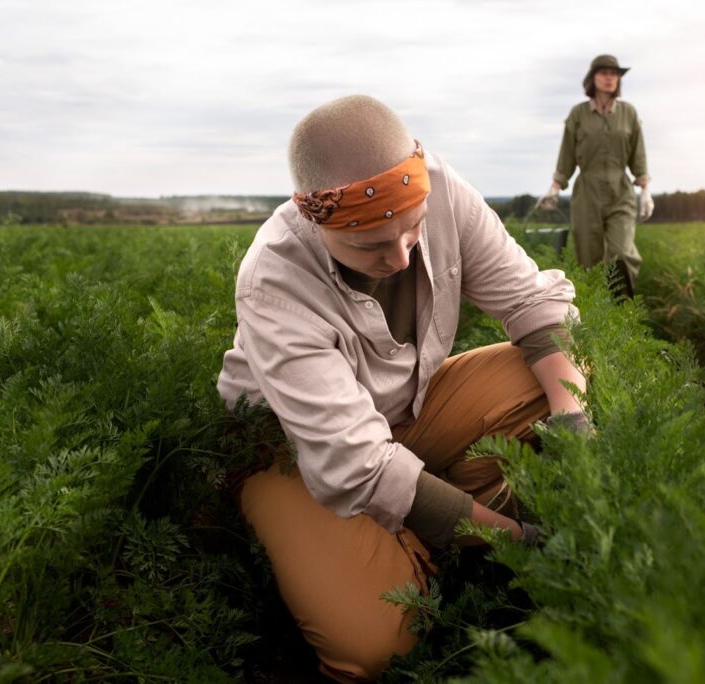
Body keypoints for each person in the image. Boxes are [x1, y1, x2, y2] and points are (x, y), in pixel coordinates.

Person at [216, 95, 590, 682]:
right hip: (293, 450)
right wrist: (522, 541)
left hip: (403, 410)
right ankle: (420, 529)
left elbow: (531, 306)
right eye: (368, 246)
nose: (399, 255)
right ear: (316, 221)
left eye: (413, 231)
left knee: (558, 377)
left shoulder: (440, 187)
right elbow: (355, 464)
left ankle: (428, 520)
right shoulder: (274, 281)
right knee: (376, 643)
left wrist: (573, 421)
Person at [539, 54, 654, 300]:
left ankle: (621, 312)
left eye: (614, 74)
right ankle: (592, 317)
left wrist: (645, 191)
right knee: (588, 261)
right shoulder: (578, 114)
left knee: (622, 254)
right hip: (586, 192)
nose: (610, 78)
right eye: (604, 73)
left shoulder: (628, 113)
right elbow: (567, 155)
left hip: (620, 190)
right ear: (592, 79)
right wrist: (554, 189)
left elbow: (638, 154)